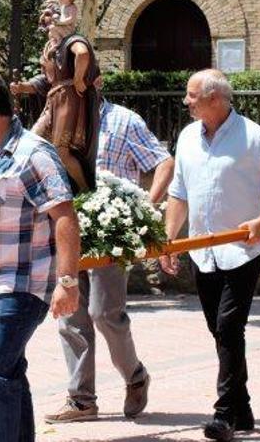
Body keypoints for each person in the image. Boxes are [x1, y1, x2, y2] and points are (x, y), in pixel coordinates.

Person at [159, 70, 260, 441]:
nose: (186, 102)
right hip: (201, 253)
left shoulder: (252, 137)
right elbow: (179, 192)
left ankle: (224, 415)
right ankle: (243, 407)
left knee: (227, 327)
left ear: (215, 99)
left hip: (243, 251)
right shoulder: (188, 137)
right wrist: (169, 240)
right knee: (220, 332)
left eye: (192, 96)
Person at [0, 71, 81, 442]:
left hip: (21, 283)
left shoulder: (33, 155)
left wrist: (67, 282)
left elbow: (65, 216)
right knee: (6, 371)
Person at [45, 98, 174, 423]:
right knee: (71, 316)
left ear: (93, 82)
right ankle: (81, 400)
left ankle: (135, 376)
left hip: (109, 234)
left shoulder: (124, 120)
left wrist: (143, 208)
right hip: (67, 229)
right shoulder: (56, 120)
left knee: (105, 314)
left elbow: (163, 163)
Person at [15, 31, 101, 194]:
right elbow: (46, 80)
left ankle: (84, 191)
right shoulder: (53, 47)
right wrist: (22, 87)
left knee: (61, 151)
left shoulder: (70, 41)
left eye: (49, 18)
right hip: (53, 99)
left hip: (66, 98)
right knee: (33, 144)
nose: (45, 24)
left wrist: (77, 79)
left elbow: (82, 53)